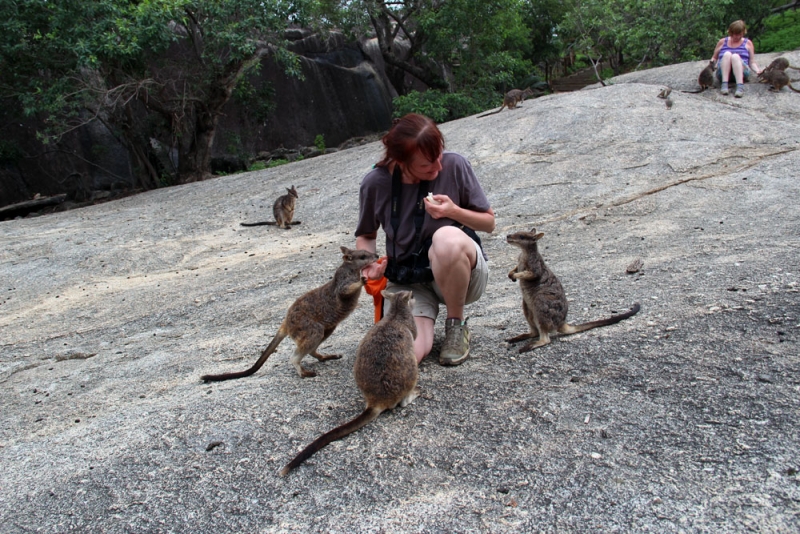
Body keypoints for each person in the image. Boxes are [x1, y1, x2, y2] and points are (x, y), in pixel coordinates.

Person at [356, 113, 495, 366]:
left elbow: (489, 222)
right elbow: (366, 234)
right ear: (400, 160)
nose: (438, 168)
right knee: (402, 355)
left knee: (446, 238)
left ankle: (456, 324)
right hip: (410, 281)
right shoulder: (375, 183)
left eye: (438, 156)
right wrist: (368, 265)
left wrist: (453, 212)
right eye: (427, 165)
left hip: (461, 274)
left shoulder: (455, 165)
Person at [711, 20, 761, 98]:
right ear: (731, 32)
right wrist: (711, 66)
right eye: (735, 34)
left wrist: (757, 70)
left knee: (735, 56)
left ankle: (740, 86)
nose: (737, 37)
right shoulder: (722, 42)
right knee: (727, 54)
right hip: (723, 72)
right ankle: (724, 84)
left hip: (741, 72)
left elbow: (752, 62)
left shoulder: (748, 43)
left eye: (740, 34)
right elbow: (714, 58)